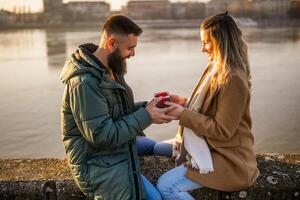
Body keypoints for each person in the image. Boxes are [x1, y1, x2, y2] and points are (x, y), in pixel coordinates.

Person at [60, 15, 176, 200]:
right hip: (98, 161)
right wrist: (146, 116)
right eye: (130, 48)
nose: (133, 54)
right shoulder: (84, 83)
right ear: (112, 43)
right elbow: (103, 136)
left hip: (113, 149)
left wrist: (150, 107)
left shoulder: (110, 68)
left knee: (154, 146)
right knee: (155, 198)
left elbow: (117, 111)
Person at [156, 12, 260, 200]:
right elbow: (209, 108)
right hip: (208, 145)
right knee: (156, 149)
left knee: (166, 186)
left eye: (206, 42)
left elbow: (222, 130)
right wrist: (183, 102)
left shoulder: (233, 78)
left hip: (228, 156)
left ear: (221, 42)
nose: (202, 49)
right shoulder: (216, 67)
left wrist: (183, 114)